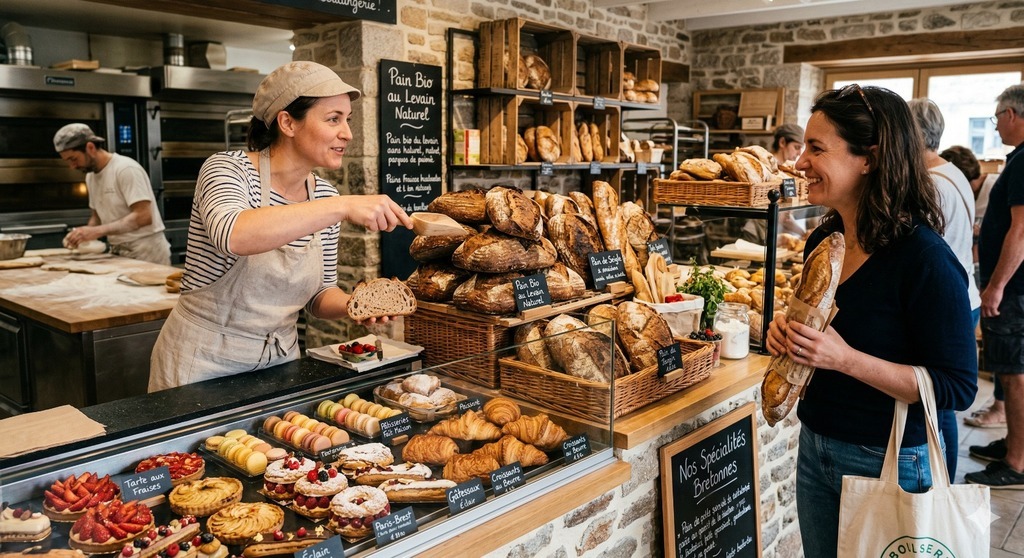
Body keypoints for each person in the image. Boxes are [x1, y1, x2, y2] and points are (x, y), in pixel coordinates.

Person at [766, 85, 977, 556]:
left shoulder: (925, 259)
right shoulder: (825, 241)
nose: (800, 162)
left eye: (817, 148)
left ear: (870, 158)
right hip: (816, 444)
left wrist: (845, 359)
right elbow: (820, 333)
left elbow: (958, 387)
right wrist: (788, 335)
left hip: (890, 460)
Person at [148, 61, 413, 392]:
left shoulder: (324, 195)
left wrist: (352, 306)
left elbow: (320, 294)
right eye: (333, 119)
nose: (347, 133)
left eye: (347, 119)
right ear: (287, 122)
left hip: (279, 362)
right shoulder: (227, 170)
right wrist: (342, 207)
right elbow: (234, 234)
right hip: (203, 363)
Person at [908, 98, 983, 478]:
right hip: (966, 296)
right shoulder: (952, 172)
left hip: (945, 304)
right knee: (943, 406)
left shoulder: (931, 184)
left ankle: (943, 478)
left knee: (939, 403)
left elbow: (921, 251)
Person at [965, 84, 1024, 487]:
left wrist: (996, 285)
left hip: (1014, 290)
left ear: (1012, 114)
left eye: (997, 117)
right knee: (1010, 370)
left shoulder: (1023, 161)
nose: (997, 125)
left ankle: (1017, 462)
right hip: (1014, 288)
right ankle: (1013, 444)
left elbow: (1021, 230)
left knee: (1014, 372)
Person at [941, 144, 1007, 429]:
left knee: (1003, 350)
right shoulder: (967, 187)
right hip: (976, 277)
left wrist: (995, 285)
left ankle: (1000, 408)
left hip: (993, 278)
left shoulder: (992, 188)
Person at [53, 123, 171, 265]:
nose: (72, 166)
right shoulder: (91, 177)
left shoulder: (125, 169)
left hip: (146, 250)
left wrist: (96, 231)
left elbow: (143, 216)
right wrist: (82, 235)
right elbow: (96, 217)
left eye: (73, 159)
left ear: (90, 148)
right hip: (118, 250)